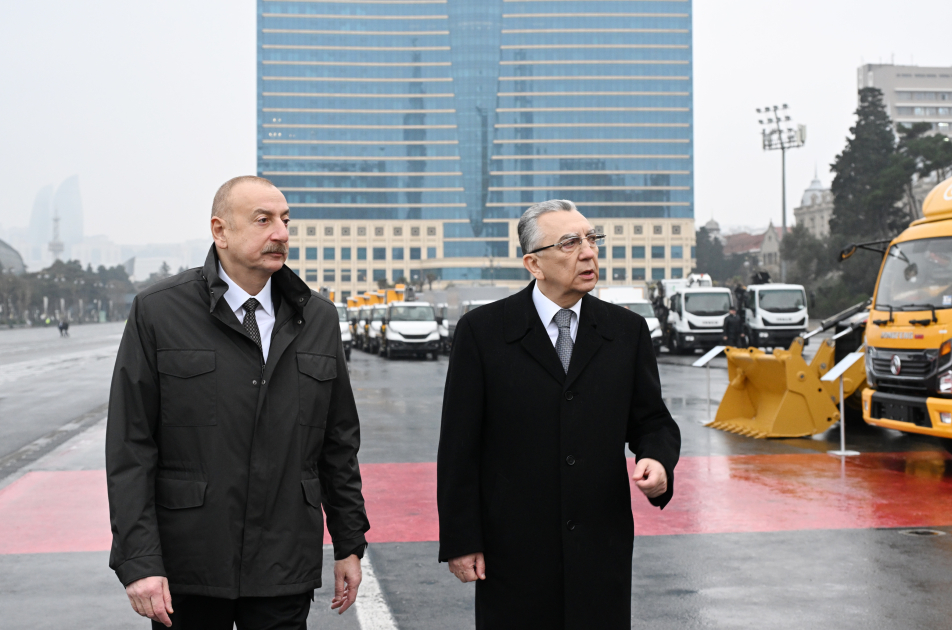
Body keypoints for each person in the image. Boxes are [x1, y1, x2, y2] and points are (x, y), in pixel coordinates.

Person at [106, 176, 369, 629]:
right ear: (220, 230)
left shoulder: (319, 318)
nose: (281, 233)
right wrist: (140, 561)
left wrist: (349, 543)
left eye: (286, 221)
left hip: (283, 564)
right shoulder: (159, 311)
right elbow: (131, 447)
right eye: (263, 220)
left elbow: (337, 443)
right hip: (189, 567)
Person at [437, 199, 682, 629]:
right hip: (512, 552)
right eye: (570, 242)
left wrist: (657, 461)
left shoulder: (626, 332)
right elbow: (459, 447)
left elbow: (652, 421)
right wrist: (461, 539)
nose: (588, 252)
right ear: (534, 263)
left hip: (599, 550)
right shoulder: (484, 332)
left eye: (592, 239)